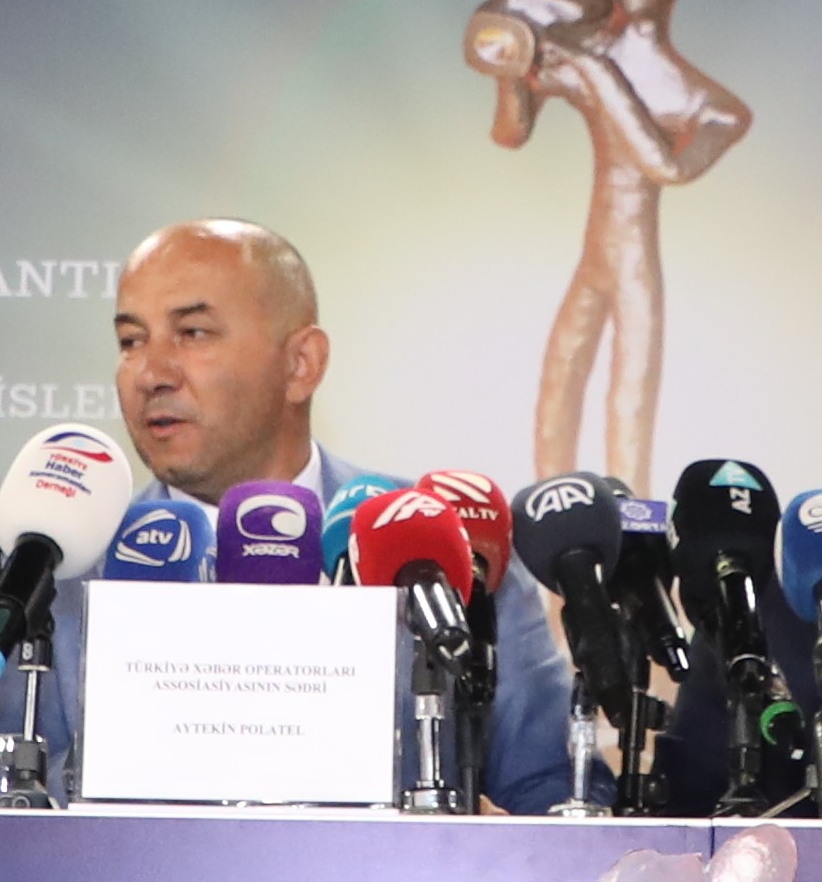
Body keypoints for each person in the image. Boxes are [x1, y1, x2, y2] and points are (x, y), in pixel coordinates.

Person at [91, 212, 575, 810]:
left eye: (192, 333)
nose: (151, 374)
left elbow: (552, 792)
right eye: (131, 341)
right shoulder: (67, 572)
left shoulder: (443, 548)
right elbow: (2, 809)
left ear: (302, 364)